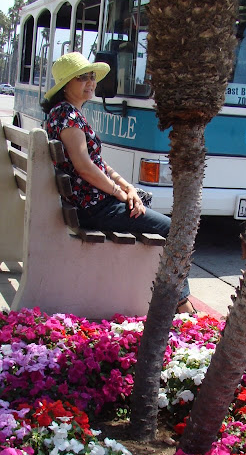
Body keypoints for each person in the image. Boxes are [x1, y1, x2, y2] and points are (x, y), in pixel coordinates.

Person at [42, 52, 195, 314]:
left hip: (90, 203)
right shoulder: (67, 117)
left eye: (92, 76)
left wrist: (128, 188)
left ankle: (166, 296)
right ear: (66, 85)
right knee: (174, 230)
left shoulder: (66, 113)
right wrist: (119, 194)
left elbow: (98, 164)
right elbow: (85, 167)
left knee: (145, 203)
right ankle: (181, 304)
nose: (91, 82)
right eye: (82, 77)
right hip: (94, 208)